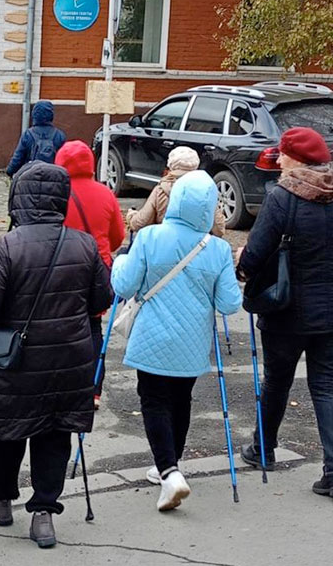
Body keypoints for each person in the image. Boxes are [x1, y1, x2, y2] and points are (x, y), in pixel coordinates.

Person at [0, 162, 113, 548]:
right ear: (61, 200)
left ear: (19, 199)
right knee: (55, 433)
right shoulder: (82, 244)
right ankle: (44, 513)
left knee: (10, 431)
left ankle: (0, 498)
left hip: (17, 363)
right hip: (70, 359)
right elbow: (103, 298)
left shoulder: (9, 246)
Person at [236, 126, 333, 499]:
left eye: (282, 153)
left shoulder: (282, 197)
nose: (278, 159)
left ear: (297, 159)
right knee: (326, 386)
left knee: (277, 380)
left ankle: (263, 450)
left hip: (288, 309)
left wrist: (241, 270)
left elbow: (257, 252)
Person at [112, 170, 241, 511]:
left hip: (152, 338)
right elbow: (229, 304)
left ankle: (169, 473)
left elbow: (124, 286)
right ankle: (167, 466)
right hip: (192, 343)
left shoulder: (150, 237)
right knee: (180, 400)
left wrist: (120, 261)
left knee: (153, 400)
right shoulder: (217, 249)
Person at [55, 140, 125, 408]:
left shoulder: (57, 194)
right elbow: (118, 235)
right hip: (97, 269)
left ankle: (63, 384)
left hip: (63, 268)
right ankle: (93, 389)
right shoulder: (106, 194)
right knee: (93, 328)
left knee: (61, 325)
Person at [128, 146, 226, 237]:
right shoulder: (205, 190)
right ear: (196, 165)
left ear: (170, 165)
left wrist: (131, 216)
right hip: (198, 246)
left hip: (167, 243)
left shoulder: (161, 189)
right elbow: (219, 229)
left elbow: (141, 223)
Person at [6, 100, 66, 177]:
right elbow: (64, 160)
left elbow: (18, 157)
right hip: (53, 177)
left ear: (34, 115)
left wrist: (10, 171)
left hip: (30, 176)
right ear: (51, 115)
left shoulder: (28, 134)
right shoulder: (59, 135)